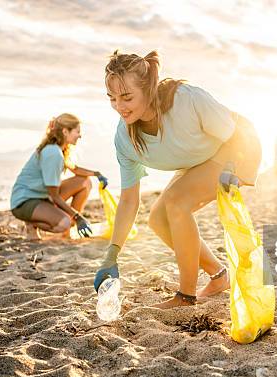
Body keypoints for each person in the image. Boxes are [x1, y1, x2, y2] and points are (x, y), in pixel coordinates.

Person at [93, 50, 261, 309]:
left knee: (177, 203)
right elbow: (128, 200)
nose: (119, 106)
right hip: (200, 159)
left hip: (238, 147)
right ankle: (219, 276)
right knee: (158, 220)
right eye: (112, 98)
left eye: (126, 97)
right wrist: (111, 255)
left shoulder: (186, 100)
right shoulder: (125, 139)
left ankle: (186, 297)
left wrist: (234, 169)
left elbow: (237, 135)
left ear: (148, 89)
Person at [10, 113, 109, 240]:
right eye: (77, 131)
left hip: (42, 198)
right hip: (24, 202)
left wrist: (97, 174)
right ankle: (31, 223)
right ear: (65, 132)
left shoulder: (60, 150)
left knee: (85, 182)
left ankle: (67, 229)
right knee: (64, 223)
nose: (80, 135)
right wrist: (78, 217)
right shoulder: (53, 153)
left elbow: (75, 169)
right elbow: (54, 196)